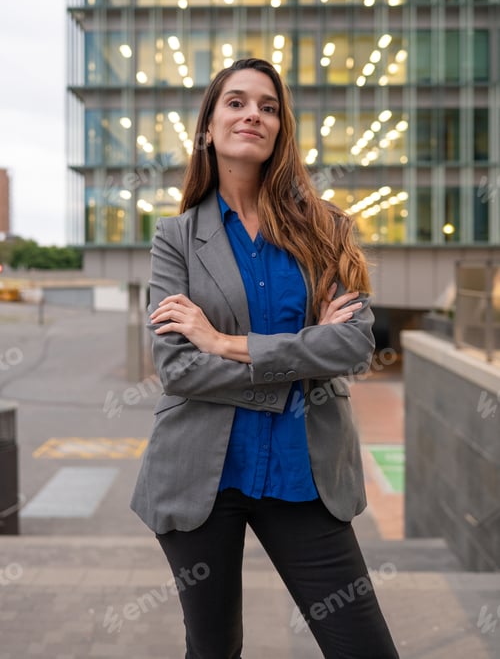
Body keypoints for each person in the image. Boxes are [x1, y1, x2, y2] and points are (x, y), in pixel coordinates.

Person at [131, 58, 399, 659]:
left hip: (304, 476)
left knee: (365, 648)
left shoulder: (325, 229)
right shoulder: (175, 240)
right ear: (208, 127)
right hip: (201, 476)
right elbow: (177, 368)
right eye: (237, 102)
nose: (254, 113)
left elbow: (354, 344)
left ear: (280, 130)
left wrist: (228, 344)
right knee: (213, 650)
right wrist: (303, 361)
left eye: (268, 106)